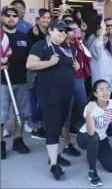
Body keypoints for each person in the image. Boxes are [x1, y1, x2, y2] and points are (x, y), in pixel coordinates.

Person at [26, 20, 80, 180]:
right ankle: (54, 165)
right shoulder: (41, 45)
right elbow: (30, 64)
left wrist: (74, 67)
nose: (63, 33)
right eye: (59, 30)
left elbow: (66, 67)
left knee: (60, 125)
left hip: (66, 93)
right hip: (49, 93)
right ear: (49, 30)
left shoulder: (66, 48)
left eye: (65, 31)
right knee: (53, 127)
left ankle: (54, 156)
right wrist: (49, 62)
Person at [77, 79, 112, 187]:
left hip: (101, 138)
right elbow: (91, 132)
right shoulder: (90, 107)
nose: (105, 92)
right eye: (101, 90)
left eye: (107, 89)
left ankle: (91, 153)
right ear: (95, 94)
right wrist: (89, 113)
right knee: (94, 137)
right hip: (85, 137)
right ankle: (92, 171)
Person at [1, 6, 31, 159]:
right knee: (1, 115)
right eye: (8, 15)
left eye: (15, 16)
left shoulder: (24, 37)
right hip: (2, 83)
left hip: (22, 81)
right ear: (2, 17)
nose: (11, 18)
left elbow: (30, 58)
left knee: (22, 113)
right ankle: (1, 144)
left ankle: (18, 140)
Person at [26, 8, 52, 139]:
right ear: (38, 19)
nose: (46, 20)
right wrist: (34, 36)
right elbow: (29, 52)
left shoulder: (50, 33)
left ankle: (43, 125)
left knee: (44, 100)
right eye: (43, 17)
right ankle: (36, 127)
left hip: (47, 70)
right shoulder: (32, 32)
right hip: (35, 71)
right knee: (35, 100)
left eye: (48, 17)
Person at [90, 24, 112, 96]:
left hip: (111, 87)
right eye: (101, 35)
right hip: (101, 89)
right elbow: (98, 44)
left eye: (105, 35)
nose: (104, 37)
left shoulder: (107, 49)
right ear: (96, 37)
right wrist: (103, 29)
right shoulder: (95, 46)